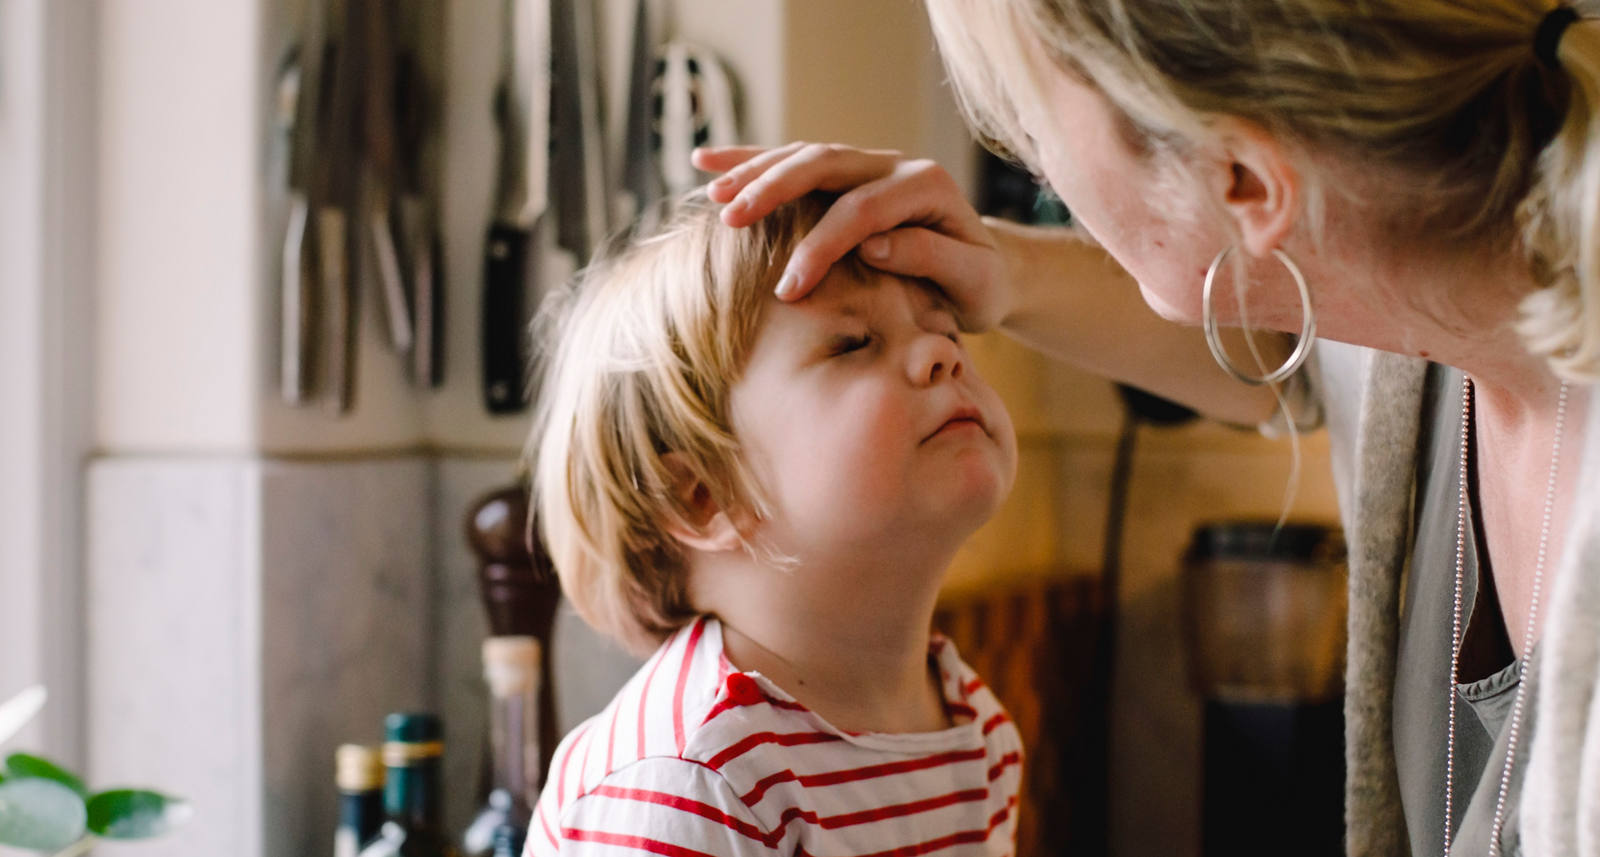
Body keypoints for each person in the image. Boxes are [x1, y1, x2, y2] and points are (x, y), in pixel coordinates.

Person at [691, 2, 1600, 855]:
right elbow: (1287, 337)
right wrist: (999, 266)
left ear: (1242, 178)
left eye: (1039, 125)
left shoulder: (971, 734)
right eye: (853, 343)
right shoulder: (1422, 339)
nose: (1042, 172)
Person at [521, 191, 1025, 855]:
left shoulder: (976, 729)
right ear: (703, 497)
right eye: (853, 343)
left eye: (949, 331)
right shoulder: (692, 780)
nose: (943, 353)